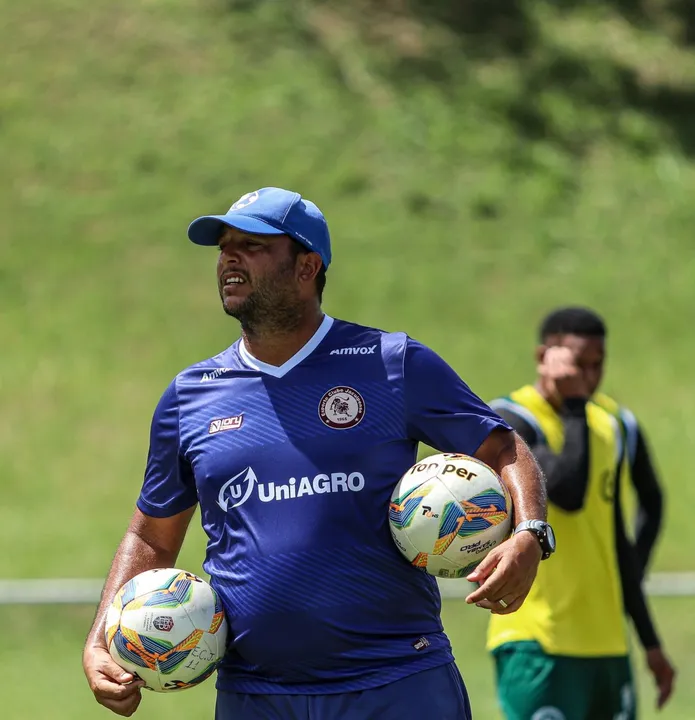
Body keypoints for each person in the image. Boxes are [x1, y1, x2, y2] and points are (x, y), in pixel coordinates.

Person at [82, 186, 551, 720]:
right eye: (223, 246)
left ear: (307, 267)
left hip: (396, 681)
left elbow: (502, 445)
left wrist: (529, 534)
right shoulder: (189, 396)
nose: (229, 257)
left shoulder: (391, 363)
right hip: (256, 695)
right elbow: (150, 534)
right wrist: (101, 640)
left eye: (252, 244)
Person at [486, 307, 676, 720]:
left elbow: (623, 533)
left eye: (598, 364)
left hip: (608, 645)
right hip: (537, 640)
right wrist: (573, 406)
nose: (589, 377)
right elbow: (566, 493)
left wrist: (650, 642)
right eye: (577, 363)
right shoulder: (508, 421)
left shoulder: (615, 425)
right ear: (543, 357)